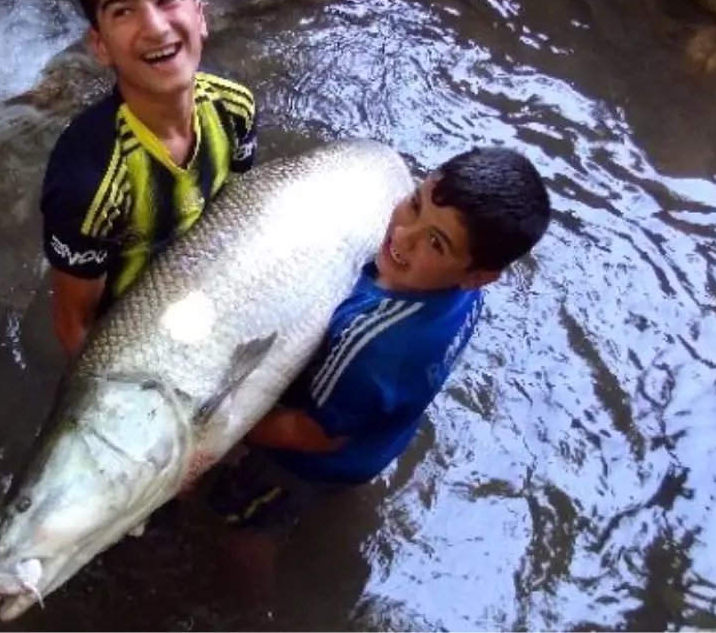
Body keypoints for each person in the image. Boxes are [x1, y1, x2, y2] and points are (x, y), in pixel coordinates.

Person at [205, 144, 553, 594]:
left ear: (477, 276)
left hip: (305, 461)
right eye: (415, 203)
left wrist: (223, 426)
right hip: (377, 440)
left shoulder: (369, 342)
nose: (404, 234)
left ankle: (254, 606)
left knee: (248, 528)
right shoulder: (461, 295)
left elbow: (315, 433)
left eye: (435, 242)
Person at [39, 0, 259, 357]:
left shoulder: (235, 108)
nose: (156, 28)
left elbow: (241, 214)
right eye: (124, 11)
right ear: (101, 46)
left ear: (200, 16)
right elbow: (74, 326)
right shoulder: (88, 182)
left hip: (209, 289)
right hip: (133, 337)